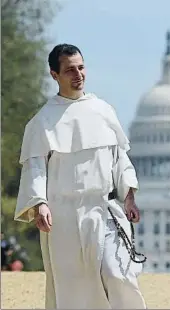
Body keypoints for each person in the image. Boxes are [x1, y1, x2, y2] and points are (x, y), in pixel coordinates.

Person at [14, 44, 147, 309]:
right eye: (70, 70)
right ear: (55, 75)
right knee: (75, 291)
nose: (78, 74)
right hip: (64, 217)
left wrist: (129, 197)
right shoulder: (42, 122)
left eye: (81, 67)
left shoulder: (104, 110)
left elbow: (120, 159)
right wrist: (39, 203)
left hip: (104, 210)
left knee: (119, 274)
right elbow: (35, 168)